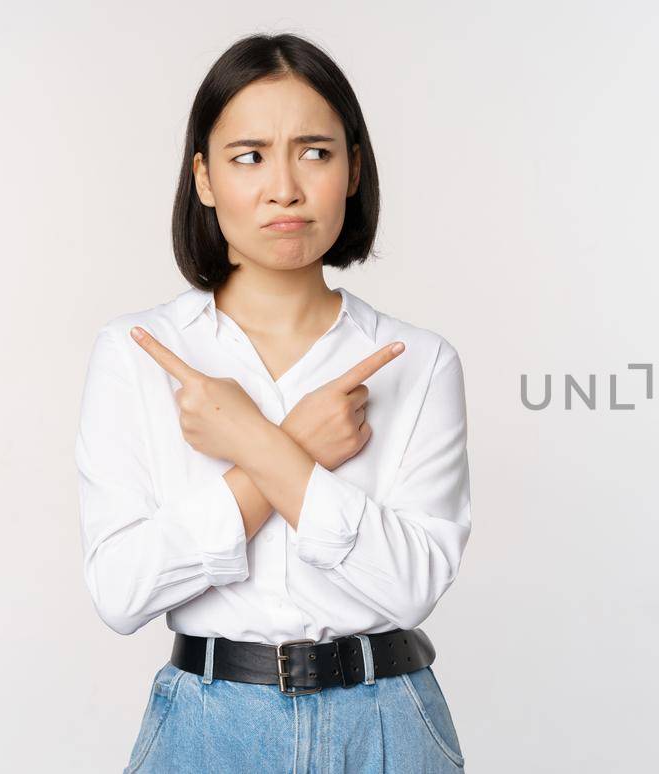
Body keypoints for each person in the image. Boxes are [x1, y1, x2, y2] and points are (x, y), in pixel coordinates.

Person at [74, 32, 471, 773]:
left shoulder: (420, 363)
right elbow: (121, 591)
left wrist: (252, 441)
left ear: (352, 169)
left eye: (315, 152)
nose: (284, 187)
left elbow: (412, 587)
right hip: (206, 724)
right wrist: (290, 446)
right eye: (249, 156)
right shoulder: (137, 352)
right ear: (204, 177)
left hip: (388, 723)